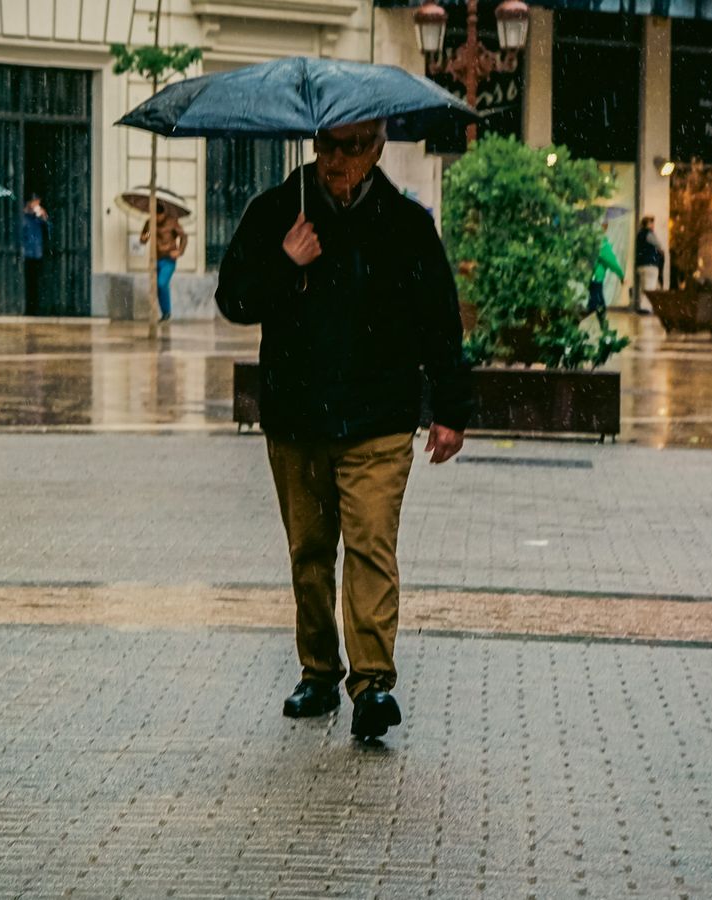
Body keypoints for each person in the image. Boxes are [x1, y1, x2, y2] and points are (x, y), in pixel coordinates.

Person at [215, 118, 472, 742]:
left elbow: (440, 320)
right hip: (297, 417)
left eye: (353, 147)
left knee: (370, 548)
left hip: (379, 419)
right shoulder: (278, 209)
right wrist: (285, 260)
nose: (337, 160)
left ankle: (373, 684)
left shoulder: (407, 225)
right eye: (328, 145)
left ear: (378, 148)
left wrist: (451, 409)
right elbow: (234, 300)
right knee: (309, 553)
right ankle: (319, 672)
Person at [140, 205, 188, 322]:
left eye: (158, 216)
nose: (156, 218)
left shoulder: (172, 222)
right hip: (155, 258)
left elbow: (184, 236)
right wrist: (144, 237)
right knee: (155, 286)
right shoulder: (149, 222)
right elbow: (143, 239)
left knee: (161, 283)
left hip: (168, 259)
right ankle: (161, 313)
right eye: (154, 215)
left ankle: (166, 313)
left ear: (163, 214)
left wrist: (179, 251)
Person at [21, 194, 52, 315]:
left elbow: (49, 231)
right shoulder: (24, 217)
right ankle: (27, 307)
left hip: (37, 253)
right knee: (28, 282)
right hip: (26, 254)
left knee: (37, 282)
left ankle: (37, 307)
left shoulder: (38, 218)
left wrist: (45, 218)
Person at [590, 223, 625, 329]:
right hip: (596, 277)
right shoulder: (602, 244)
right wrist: (621, 275)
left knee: (595, 299)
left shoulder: (590, 242)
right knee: (598, 300)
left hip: (590, 276)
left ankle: (601, 323)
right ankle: (603, 325)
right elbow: (611, 262)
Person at [633, 215, 664, 314]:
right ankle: (646, 308)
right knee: (649, 288)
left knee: (644, 287)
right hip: (650, 264)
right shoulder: (649, 234)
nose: (653, 225)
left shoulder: (639, 235)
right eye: (651, 223)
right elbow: (659, 245)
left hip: (641, 265)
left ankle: (643, 306)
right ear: (648, 224)